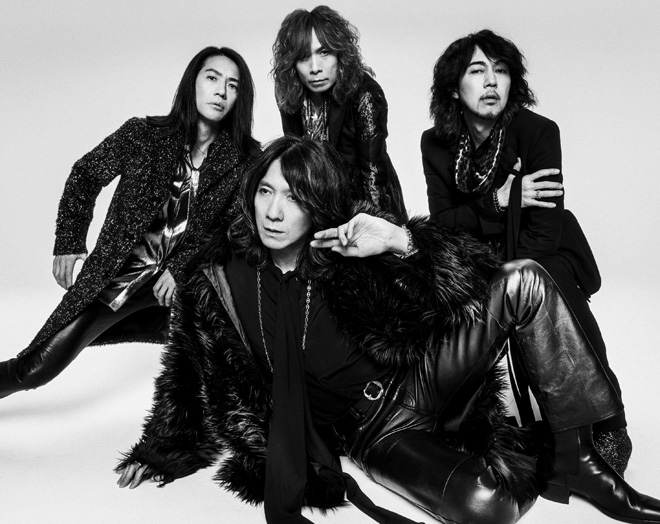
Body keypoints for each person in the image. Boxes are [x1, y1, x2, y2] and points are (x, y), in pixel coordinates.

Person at [117, 136, 660, 524]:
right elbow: (185, 373)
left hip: (419, 371)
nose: (275, 211)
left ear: (316, 204)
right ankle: (543, 459)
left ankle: (577, 458)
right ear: (250, 194)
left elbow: (465, 283)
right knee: (488, 507)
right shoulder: (219, 282)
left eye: (294, 196)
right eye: (265, 191)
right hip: (376, 431)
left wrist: (400, 241)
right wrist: (160, 450)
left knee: (525, 280)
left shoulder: (347, 238)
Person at [420, 29, 631, 475]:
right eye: (477, 71)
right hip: (474, 261)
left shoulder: (537, 132)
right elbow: (440, 226)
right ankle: (466, 422)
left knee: (545, 277)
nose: (491, 81)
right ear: (454, 88)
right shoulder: (435, 143)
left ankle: (606, 421)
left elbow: (543, 231)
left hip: (542, 251)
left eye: (501, 70)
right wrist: (500, 201)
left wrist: (508, 280)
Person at [0, 46, 259, 398]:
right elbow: (86, 175)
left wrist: (180, 269)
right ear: (193, 83)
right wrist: (69, 241)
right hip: (118, 277)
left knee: (228, 354)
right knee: (35, 369)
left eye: (233, 85)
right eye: (212, 78)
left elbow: (231, 232)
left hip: (181, 290)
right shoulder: (143, 134)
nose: (221, 92)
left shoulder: (246, 161)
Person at [272, 5, 407, 221]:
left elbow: (373, 174)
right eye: (304, 57)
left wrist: (378, 226)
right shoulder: (290, 93)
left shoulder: (365, 94)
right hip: (315, 205)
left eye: (324, 52)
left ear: (340, 53)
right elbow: (295, 161)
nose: (315, 68)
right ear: (292, 63)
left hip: (363, 205)